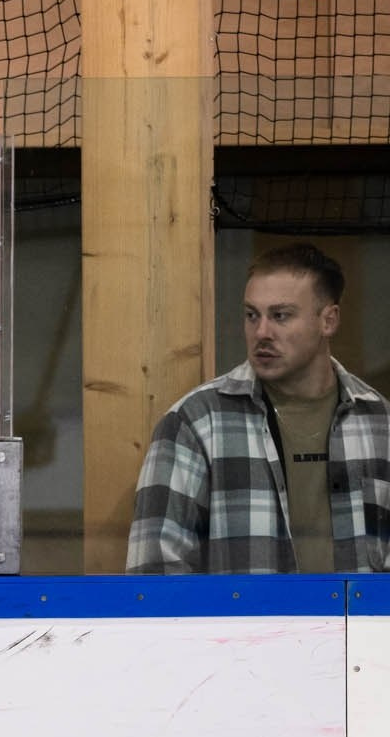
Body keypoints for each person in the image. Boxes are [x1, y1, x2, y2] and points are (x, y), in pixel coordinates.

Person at [127, 242, 390, 573]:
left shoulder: (379, 422)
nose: (261, 332)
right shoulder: (197, 423)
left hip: (360, 625)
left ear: (328, 320)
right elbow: (155, 576)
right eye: (252, 315)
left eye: (280, 316)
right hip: (241, 626)